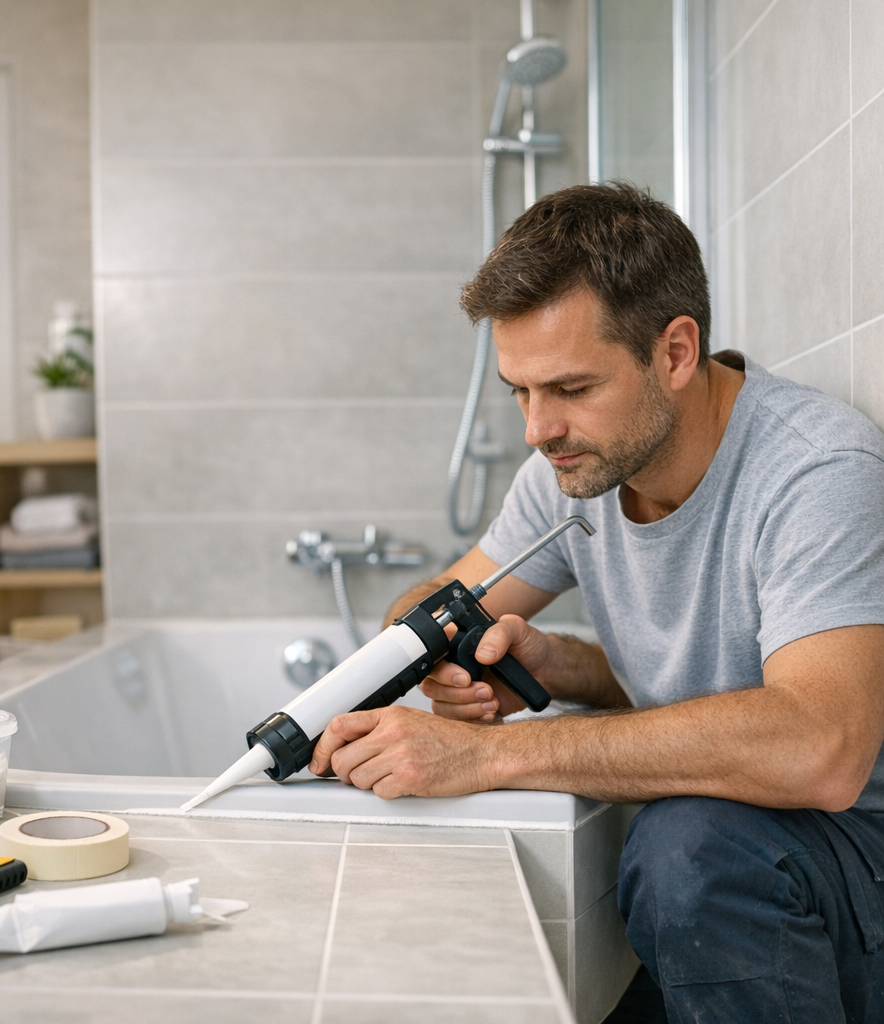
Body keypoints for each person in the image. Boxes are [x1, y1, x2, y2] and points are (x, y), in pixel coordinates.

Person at [307, 183, 884, 1022]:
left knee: (687, 847)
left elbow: (819, 748)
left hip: (854, 862)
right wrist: (477, 652)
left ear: (676, 353)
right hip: (749, 857)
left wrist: (487, 756)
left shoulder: (815, 472)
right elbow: (433, 598)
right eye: (519, 391)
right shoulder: (575, 468)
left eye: (571, 387)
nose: (539, 429)